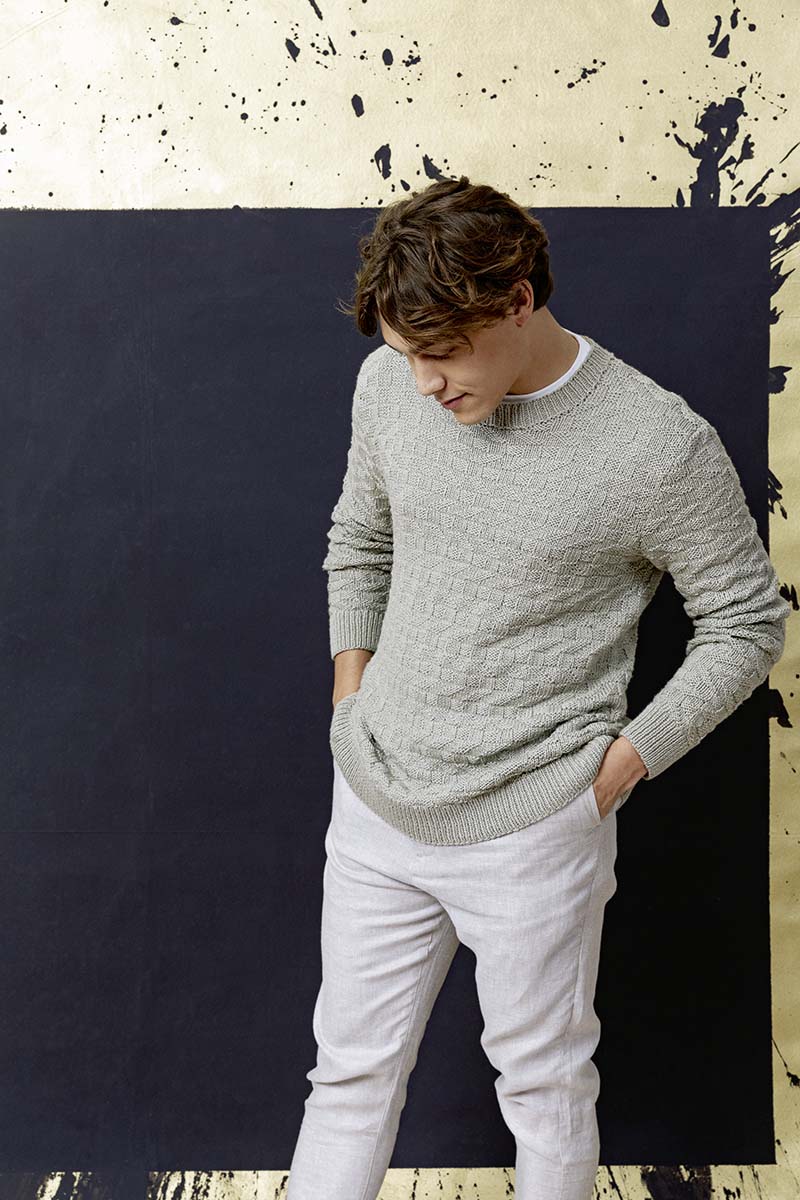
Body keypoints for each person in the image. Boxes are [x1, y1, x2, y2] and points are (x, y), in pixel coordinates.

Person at [286, 175, 790, 1200]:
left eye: (442, 351)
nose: (423, 383)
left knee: (544, 1091)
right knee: (345, 1079)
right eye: (405, 353)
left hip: (532, 826)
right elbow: (360, 538)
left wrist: (615, 770)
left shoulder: (656, 446)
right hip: (377, 794)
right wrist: (351, 700)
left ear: (517, 299)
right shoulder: (388, 385)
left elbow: (747, 622)